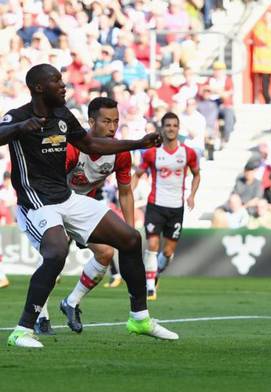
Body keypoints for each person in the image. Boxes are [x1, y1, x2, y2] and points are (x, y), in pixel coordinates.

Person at [0, 64, 177, 348]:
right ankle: (22, 330)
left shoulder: (62, 115)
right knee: (56, 253)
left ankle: (139, 318)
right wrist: (20, 128)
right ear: (38, 87)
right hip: (36, 202)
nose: (63, 85)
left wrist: (137, 143)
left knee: (131, 239)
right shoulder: (18, 116)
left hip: (67, 198)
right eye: (57, 81)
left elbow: (91, 145)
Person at [35, 97, 137, 335]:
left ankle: (71, 302)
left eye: (116, 121)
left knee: (106, 253)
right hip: (55, 205)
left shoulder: (120, 153)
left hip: (84, 208)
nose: (112, 127)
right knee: (54, 261)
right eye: (106, 121)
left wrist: (130, 233)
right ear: (91, 121)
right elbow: (51, 181)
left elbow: (125, 192)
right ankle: (40, 316)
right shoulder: (73, 148)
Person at [135, 112, 200, 301]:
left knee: (168, 252)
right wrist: (128, 192)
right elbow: (138, 173)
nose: (171, 128)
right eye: (168, 125)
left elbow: (197, 174)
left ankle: (155, 274)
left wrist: (192, 195)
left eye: (174, 125)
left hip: (176, 207)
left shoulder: (188, 153)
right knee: (153, 245)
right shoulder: (152, 153)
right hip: (155, 205)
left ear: (178, 129)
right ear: (162, 128)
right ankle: (149, 288)